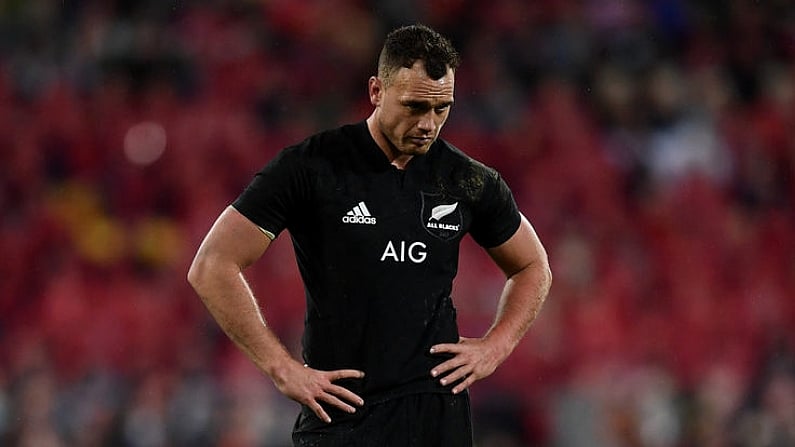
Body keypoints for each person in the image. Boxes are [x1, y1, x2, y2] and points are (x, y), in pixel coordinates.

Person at [188, 24, 552, 446]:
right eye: (415, 106)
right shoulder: (311, 167)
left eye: (442, 109)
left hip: (437, 416)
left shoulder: (467, 181)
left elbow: (532, 265)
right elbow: (212, 265)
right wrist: (280, 367)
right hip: (343, 415)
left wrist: (496, 346)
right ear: (376, 90)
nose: (428, 124)